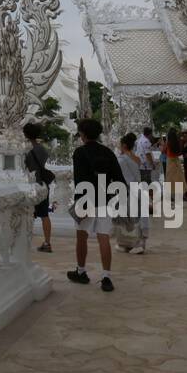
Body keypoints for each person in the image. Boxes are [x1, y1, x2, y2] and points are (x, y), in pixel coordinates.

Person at [67, 117, 126, 292]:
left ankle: (81, 271)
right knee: (103, 238)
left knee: (81, 236)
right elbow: (119, 180)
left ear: (83, 135)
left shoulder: (79, 153)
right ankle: (106, 276)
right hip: (105, 200)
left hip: (87, 200)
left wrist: (81, 203)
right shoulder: (108, 152)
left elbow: (80, 180)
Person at [24, 124, 57, 253]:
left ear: (25, 134)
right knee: (44, 215)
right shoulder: (42, 149)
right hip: (42, 184)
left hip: (30, 185)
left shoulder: (25, 150)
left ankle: (25, 242)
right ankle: (47, 242)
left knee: (27, 215)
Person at [115, 133, 150, 254]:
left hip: (127, 189)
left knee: (129, 218)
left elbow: (120, 176)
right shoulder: (137, 158)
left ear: (124, 145)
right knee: (137, 217)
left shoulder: (121, 159)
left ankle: (133, 243)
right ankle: (133, 243)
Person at [164, 128, 186, 197]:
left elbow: (164, 151)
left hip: (170, 161)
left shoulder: (168, 143)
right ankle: (179, 195)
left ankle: (171, 195)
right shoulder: (178, 143)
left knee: (170, 178)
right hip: (176, 161)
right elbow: (179, 153)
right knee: (178, 178)